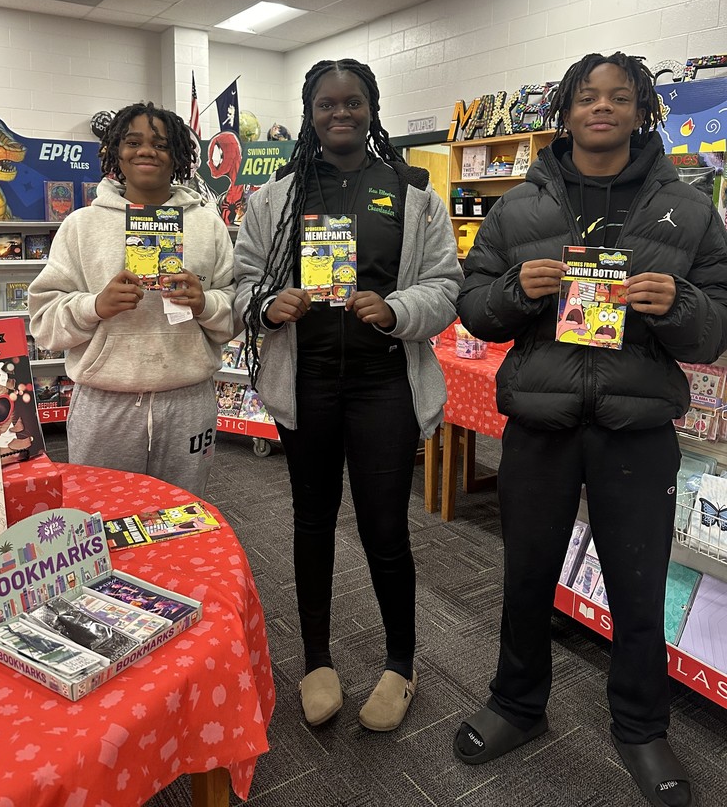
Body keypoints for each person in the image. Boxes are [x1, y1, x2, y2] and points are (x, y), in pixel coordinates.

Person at [454, 51, 727, 807]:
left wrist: (676, 303)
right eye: (585, 97)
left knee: (639, 585)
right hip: (542, 422)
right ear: (566, 112)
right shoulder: (519, 208)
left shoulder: (690, 211)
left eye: (617, 97)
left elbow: (713, 332)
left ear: (643, 111)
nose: (599, 108)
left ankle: (641, 727)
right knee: (526, 573)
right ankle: (517, 704)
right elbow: (473, 307)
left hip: (636, 427)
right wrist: (513, 290)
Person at [233, 58, 461, 731]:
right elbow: (241, 280)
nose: (340, 113)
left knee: (385, 530)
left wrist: (395, 309)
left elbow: (446, 285)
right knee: (310, 523)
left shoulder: (412, 190)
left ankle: (401, 662)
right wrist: (270, 303)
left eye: (353, 102)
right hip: (306, 387)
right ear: (309, 112)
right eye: (327, 103)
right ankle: (316, 660)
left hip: (383, 384)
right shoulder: (274, 195)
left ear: (371, 108)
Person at [28, 102, 235, 497]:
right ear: (115, 152)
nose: (146, 151)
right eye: (133, 141)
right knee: (102, 513)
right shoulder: (81, 225)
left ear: (177, 154)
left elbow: (235, 309)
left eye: (160, 143)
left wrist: (204, 303)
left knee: (185, 512)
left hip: (188, 398)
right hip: (105, 403)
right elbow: (43, 322)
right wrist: (94, 306)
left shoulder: (207, 224)